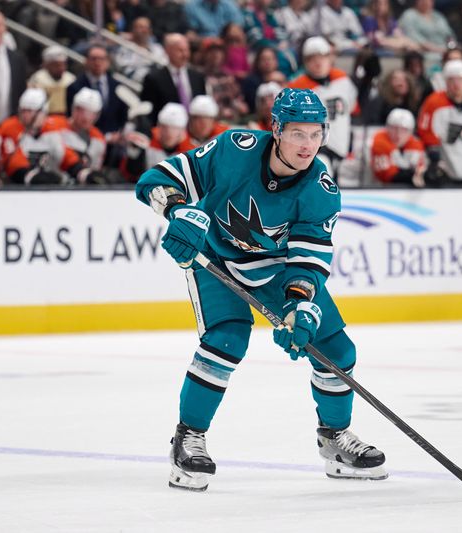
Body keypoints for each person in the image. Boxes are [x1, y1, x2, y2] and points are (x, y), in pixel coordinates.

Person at [134, 88, 387, 492]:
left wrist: (300, 306)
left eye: (316, 134)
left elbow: (307, 262)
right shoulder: (235, 150)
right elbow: (159, 178)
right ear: (277, 129)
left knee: (337, 350)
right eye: (298, 133)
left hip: (276, 270)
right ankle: (189, 437)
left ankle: (334, 437)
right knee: (226, 340)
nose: (308, 145)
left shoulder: (321, 189)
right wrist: (177, 210)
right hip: (216, 258)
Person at [288, 37, 358, 180]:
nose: (318, 62)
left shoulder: (342, 80)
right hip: (314, 147)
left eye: (322, 57)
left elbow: (352, 109)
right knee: (322, 176)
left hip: (342, 146)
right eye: (312, 58)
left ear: (330, 58)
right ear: (305, 62)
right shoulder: (296, 88)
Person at [0, 88, 102, 185]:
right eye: (24, 111)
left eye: (30, 111)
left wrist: (81, 171)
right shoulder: (10, 127)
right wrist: (31, 176)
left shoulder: (49, 128)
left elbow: (63, 153)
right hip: (12, 186)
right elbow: (13, 160)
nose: (26, 116)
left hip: (44, 182)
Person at [140, 33, 206, 124]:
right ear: (167, 51)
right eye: (180, 50)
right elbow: (149, 112)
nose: (185, 55)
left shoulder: (197, 77)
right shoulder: (153, 79)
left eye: (186, 50)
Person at [123, 102, 191, 181]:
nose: (169, 132)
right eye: (164, 127)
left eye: (174, 128)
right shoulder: (146, 139)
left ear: (182, 131)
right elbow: (129, 173)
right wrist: (134, 156)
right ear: (159, 126)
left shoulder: (189, 150)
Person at [56, 88, 107, 177]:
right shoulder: (55, 126)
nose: (86, 117)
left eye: (92, 113)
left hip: (82, 183)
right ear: (73, 109)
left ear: (97, 115)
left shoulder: (99, 138)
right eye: (81, 111)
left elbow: (94, 170)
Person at [370, 108, 427, 185]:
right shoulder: (379, 143)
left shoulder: (415, 145)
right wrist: (413, 175)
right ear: (387, 128)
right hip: (372, 188)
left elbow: (420, 171)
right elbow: (387, 176)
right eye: (394, 128)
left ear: (411, 132)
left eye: (404, 130)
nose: (398, 134)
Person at [28, 45, 76, 116]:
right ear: (47, 65)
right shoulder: (37, 79)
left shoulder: (71, 79)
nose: (61, 68)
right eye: (57, 65)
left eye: (63, 64)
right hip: (43, 116)